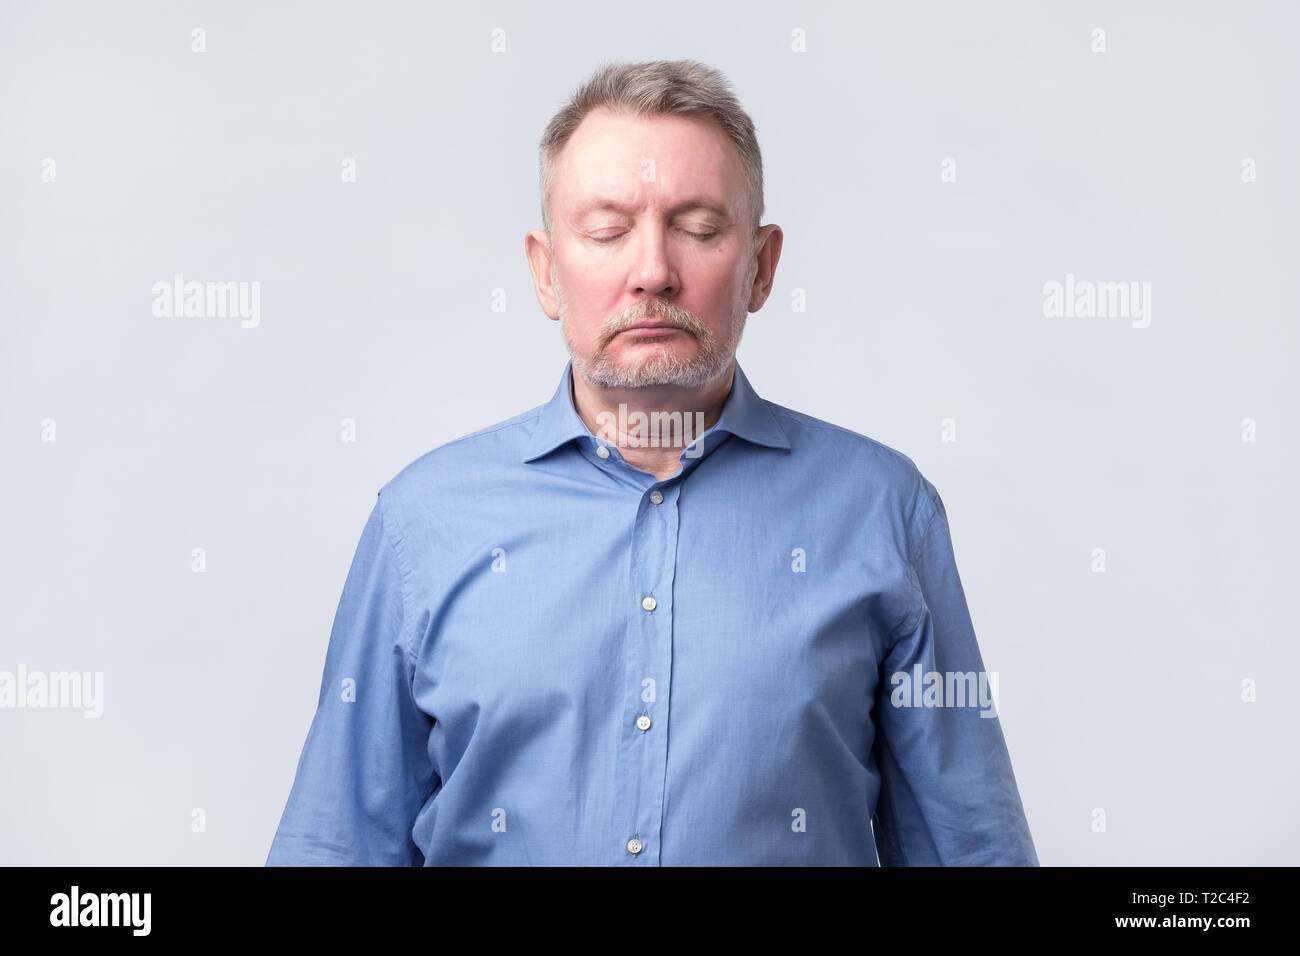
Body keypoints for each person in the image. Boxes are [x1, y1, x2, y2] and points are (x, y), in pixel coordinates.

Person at [266, 59, 1038, 866]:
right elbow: (337, 847)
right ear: (544, 270)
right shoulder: (420, 524)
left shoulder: (886, 511)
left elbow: (971, 849)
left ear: (762, 268)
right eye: (606, 232)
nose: (652, 272)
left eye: (699, 228)